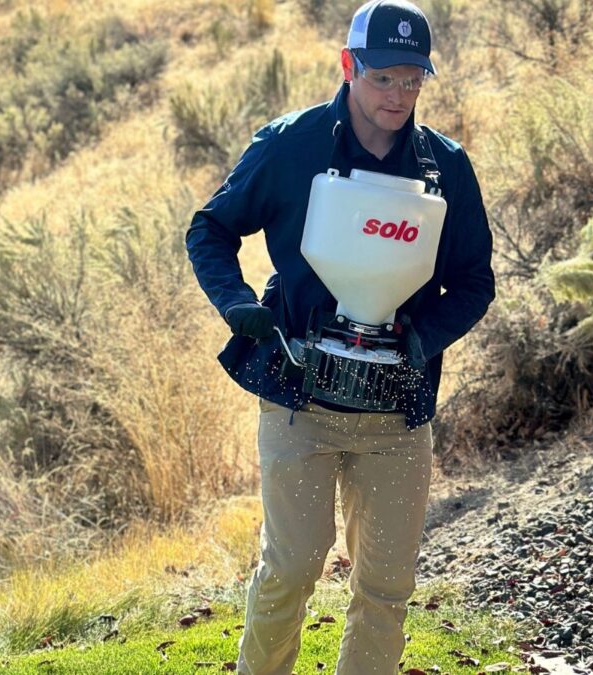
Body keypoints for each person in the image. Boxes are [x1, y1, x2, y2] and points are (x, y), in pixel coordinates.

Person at [185, 0, 495, 671]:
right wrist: (237, 303)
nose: (398, 95)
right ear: (349, 66)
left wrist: (423, 336)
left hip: (397, 411)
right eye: (384, 77)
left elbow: (476, 281)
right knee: (291, 569)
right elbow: (209, 228)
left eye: (413, 79)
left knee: (385, 588)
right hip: (298, 395)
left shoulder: (446, 167)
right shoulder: (290, 146)